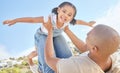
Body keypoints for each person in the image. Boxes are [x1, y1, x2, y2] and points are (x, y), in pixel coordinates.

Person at [3, 1, 95, 73]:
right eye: (64, 11)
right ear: (58, 10)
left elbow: (79, 22)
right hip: (42, 35)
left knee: (67, 57)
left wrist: (88, 24)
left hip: (57, 35)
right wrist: (15, 20)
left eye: (69, 15)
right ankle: (41, 62)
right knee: (46, 55)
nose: (65, 16)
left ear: (71, 18)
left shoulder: (67, 22)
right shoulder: (50, 18)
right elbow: (32, 19)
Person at [44, 24, 120, 73]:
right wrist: (67, 30)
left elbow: (49, 59)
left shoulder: (79, 68)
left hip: (58, 69)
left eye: (89, 34)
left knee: (43, 37)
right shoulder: (108, 54)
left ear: (94, 49)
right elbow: (85, 48)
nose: (87, 33)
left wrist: (49, 32)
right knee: (58, 37)